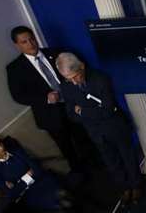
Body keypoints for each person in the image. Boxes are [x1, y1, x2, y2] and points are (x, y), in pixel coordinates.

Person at [55, 53, 142, 205]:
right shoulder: (66, 86)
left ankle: (136, 185)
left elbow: (108, 109)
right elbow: (70, 114)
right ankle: (124, 187)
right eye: (69, 79)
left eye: (75, 77)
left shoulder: (100, 78)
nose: (74, 82)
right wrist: (90, 111)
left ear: (81, 66)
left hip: (115, 127)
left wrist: (82, 111)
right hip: (95, 132)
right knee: (111, 161)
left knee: (128, 157)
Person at [6, 26, 87, 173]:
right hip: (49, 115)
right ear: (17, 45)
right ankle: (80, 173)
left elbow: (75, 72)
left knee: (84, 138)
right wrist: (45, 98)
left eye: (32, 39)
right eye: (24, 42)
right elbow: (18, 96)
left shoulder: (55, 53)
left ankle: (97, 166)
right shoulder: (14, 68)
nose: (30, 44)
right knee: (66, 148)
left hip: (73, 106)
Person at [0, 133, 67, 212]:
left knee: (62, 192)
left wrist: (19, 182)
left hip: (41, 181)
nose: (1, 148)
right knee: (59, 201)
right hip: (27, 195)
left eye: (0, 143)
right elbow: (12, 193)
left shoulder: (15, 151)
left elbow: (37, 170)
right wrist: (28, 175)